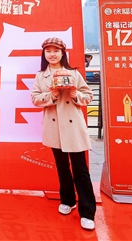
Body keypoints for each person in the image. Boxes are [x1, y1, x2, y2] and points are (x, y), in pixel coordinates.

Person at [31, 37, 96, 231]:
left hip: (73, 126)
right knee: (62, 167)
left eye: (56, 51)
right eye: (48, 51)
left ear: (62, 53)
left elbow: (89, 96)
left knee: (80, 169)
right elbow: (35, 99)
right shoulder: (40, 76)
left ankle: (87, 212)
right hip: (54, 127)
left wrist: (76, 94)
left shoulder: (74, 73)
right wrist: (51, 95)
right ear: (44, 54)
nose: (52, 54)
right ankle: (68, 200)